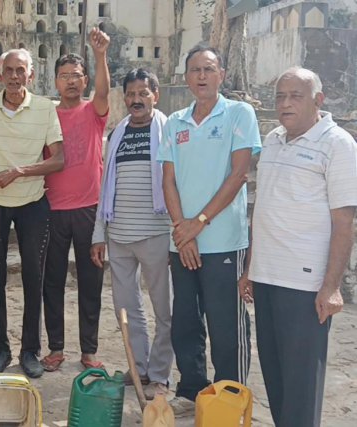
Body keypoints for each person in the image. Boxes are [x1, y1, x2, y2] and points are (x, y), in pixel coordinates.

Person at [239, 68, 357, 427]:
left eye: (295, 96)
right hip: (267, 278)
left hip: (305, 285)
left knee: (302, 384)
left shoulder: (339, 144)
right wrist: (249, 270)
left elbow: (345, 221)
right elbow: (265, 208)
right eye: (280, 96)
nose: (285, 104)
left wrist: (332, 286)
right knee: (275, 377)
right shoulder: (273, 139)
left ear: (318, 100)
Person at [157, 45, 260, 411]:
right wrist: (180, 230)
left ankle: (231, 395)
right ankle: (191, 390)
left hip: (221, 241)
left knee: (225, 325)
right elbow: (167, 179)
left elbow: (238, 174)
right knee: (185, 320)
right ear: (186, 77)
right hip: (183, 242)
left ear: (222, 74)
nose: (202, 76)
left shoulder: (238, 114)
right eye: (195, 70)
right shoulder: (175, 121)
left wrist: (197, 224)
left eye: (209, 69)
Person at [0, 46, 64, 379]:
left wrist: (18, 172)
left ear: (31, 75)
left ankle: (30, 350)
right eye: (8, 70)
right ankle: (1, 349)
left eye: (20, 70)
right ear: (1, 74)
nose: (14, 76)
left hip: (33, 203)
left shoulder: (45, 108)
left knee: (33, 277)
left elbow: (58, 159)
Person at [91, 68, 173, 399]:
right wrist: (100, 233)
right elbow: (105, 187)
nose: (136, 99)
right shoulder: (117, 134)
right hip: (119, 235)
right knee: (128, 308)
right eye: (131, 94)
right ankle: (138, 367)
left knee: (164, 309)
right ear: (123, 98)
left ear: (156, 95)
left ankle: (160, 374)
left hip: (156, 233)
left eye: (143, 93)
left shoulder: (169, 132)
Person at [41, 28, 109, 373]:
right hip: (52, 209)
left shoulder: (94, 112)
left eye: (76, 76)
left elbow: (104, 91)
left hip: (88, 209)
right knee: (51, 281)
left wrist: (99, 55)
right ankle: (55, 348)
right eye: (64, 76)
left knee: (90, 282)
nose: (70, 82)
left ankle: (89, 349)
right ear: (54, 81)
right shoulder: (45, 114)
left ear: (85, 82)